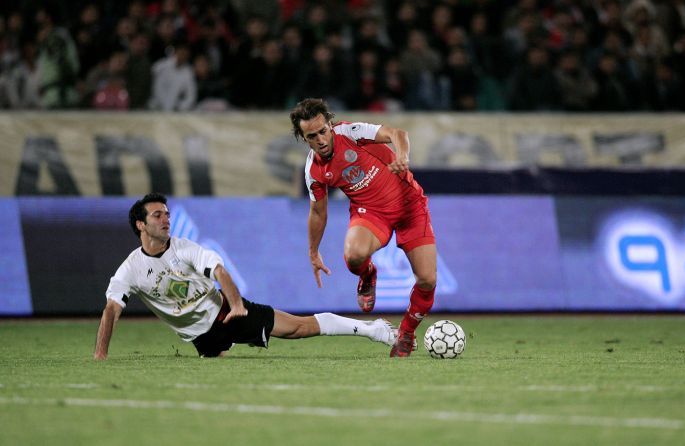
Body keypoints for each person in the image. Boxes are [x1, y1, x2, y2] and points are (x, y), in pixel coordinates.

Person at [93, 193, 398, 360]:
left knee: (298, 328)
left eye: (167, 214)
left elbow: (219, 271)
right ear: (140, 225)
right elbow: (111, 310)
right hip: (201, 338)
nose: (165, 219)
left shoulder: (184, 248)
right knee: (219, 368)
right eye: (157, 215)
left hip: (226, 313)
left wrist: (236, 303)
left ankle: (372, 330)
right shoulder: (130, 269)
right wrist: (100, 355)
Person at [289, 98, 437, 357]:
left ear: (330, 124)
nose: (320, 140)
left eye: (323, 131)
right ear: (304, 138)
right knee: (353, 255)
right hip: (371, 212)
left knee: (427, 279)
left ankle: (406, 332)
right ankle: (368, 274)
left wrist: (402, 156)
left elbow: (397, 134)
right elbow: (318, 212)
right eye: (312, 136)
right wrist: (313, 251)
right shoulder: (313, 170)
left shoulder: (351, 132)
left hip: (410, 207)